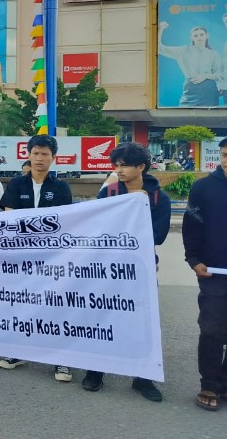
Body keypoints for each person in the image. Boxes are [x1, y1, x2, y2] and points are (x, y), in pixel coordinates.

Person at [81, 142, 170, 401]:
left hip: (140, 269)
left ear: (141, 166)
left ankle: (143, 378)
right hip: (108, 268)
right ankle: (95, 370)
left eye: (124, 165)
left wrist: (138, 208)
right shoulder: (108, 193)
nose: (119, 170)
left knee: (143, 323)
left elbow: (159, 235)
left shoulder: (158, 198)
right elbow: (96, 227)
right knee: (101, 317)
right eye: (116, 165)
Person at [0, 134, 74, 382]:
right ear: (28, 155)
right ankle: (17, 352)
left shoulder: (61, 187)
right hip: (21, 257)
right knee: (20, 305)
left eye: (45, 154)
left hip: (52, 259)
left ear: (53, 158)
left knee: (55, 307)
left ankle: (62, 360)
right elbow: (10, 218)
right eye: (35, 153)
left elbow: (64, 222)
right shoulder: (16, 184)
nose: (39, 158)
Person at [183, 136, 227, 411]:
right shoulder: (203, 188)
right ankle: (209, 384)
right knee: (211, 329)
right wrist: (194, 259)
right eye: (225, 155)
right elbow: (192, 225)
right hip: (214, 272)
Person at [158, 20, 221, 106]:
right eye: (195, 35)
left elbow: (219, 75)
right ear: (191, 38)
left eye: (201, 34)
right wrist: (160, 29)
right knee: (186, 113)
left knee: (209, 114)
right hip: (190, 89)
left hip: (210, 92)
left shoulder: (214, 54)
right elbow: (159, 49)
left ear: (207, 36)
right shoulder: (183, 51)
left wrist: (205, 76)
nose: (199, 37)